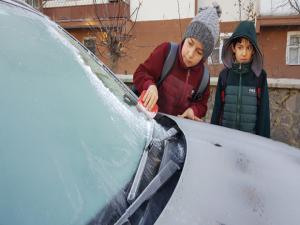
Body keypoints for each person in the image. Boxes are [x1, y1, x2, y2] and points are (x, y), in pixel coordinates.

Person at [133, 4, 221, 121]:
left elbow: (202, 105)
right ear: (185, 38)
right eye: (190, 43)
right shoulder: (166, 51)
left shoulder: (204, 76)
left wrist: (193, 110)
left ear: (204, 57)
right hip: (147, 120)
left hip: (175, 130)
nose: (190, 54)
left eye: (199, 52)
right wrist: (150, 85)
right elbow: (140, 73)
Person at [211, 21, 270, 137]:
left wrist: (264, 142)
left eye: (248, 48)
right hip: (226, 139)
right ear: (233, 48)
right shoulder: (224, 76)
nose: (244, 53)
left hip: (250, 141)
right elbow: (217, 109)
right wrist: (213, 137)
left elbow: (264, 114)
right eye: (240, 47)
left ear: (253, 50)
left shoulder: (260, 76)